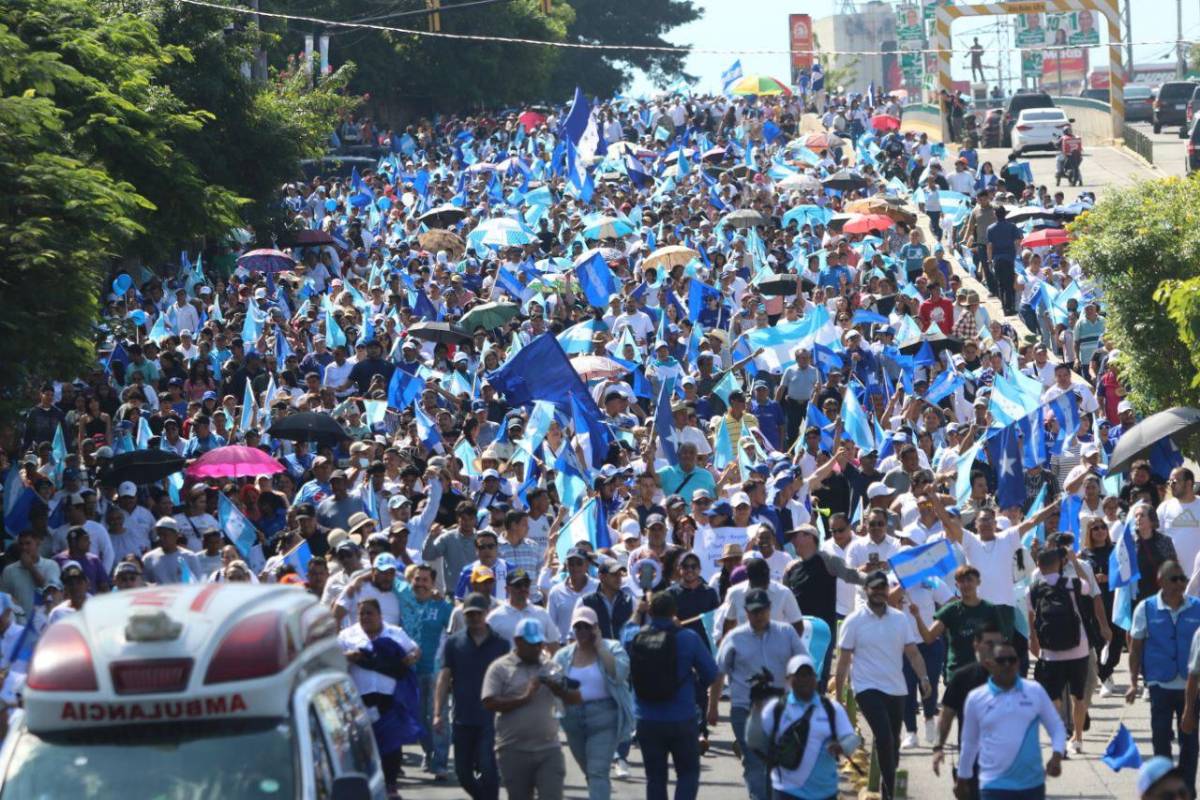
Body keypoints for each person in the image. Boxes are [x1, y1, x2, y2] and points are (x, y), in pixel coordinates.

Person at [835, 571, 931, 800]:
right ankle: (891, 789)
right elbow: (844, 661)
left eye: (882, 587)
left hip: (896, 688)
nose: (879, 592)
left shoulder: (900, 618)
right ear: (866, 590)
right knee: (884, 735)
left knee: (892, 740)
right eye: (874, 587)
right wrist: (838, 698)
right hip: (866, 687)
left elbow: (913, 653)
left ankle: (887, 790)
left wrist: (924, 678)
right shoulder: (854, 621)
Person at [710, 587, 808, 800]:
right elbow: (719, 673)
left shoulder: (786, 633)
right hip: (745, 709)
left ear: (769, 609)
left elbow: (803, 665)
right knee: (755, 762)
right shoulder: (735, 638)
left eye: (762, 611)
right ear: (746, 612)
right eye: (754, 612)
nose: (758, 616)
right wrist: (713, 707)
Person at [630, 590, 720, 800]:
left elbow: (626, 631)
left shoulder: (635, 636)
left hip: (646, 718)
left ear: (650, 611)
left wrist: (637, 612)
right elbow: (712, 673)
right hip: (681, 717)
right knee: (688, 773)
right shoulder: (688, 638)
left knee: (655, 778)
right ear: (674, 612)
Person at [481, 617, 580, 800]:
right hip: (513, 749)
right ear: (518, 641)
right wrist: (525, 697)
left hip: (548, 748)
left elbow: (576, 698)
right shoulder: (500, 668)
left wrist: (559, 689)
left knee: (552, 795)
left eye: (539, 643)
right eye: (531, 643)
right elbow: (489, 702)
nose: (536, 648)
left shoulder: (550, 667)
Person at [957, 639, 1066, 799]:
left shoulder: (1034, 691)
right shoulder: (976, 698)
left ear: (1018, 663)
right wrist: (962, 780)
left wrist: (1057, 755)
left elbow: (1056, 727)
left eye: (1012, 660)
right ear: (989, 664)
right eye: (1001, 661)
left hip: (1032, 785)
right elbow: (969, 743)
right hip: (993, 785)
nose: (1007, 664)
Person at [337, 597, 422, 796]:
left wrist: (412, 657)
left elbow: (415, 649)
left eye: (369, 613)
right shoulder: (347, 635)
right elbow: (332, 658)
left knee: (392, 744)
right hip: (359, 700)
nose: (365, 617)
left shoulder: (394, 633)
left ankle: (391, 784)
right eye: (361, 613)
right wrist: (348, 656)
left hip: (390, 697)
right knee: (364, 747)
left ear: (379, 615)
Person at [551, 605, 635, 800]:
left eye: (587, 627)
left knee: (598, 771)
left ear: (596, 628)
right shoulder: (563, 656)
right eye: (578, 627)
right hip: (572, 719)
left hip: (604, 717)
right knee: (590, 771)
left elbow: (620, 674)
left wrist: (600, 647)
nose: (582, 632)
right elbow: (553, 682)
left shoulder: (613, 648)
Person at [1131, 561, 1200, 796]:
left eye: (1183, 578)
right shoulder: (1146, 608)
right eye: (1174, 579)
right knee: (1161, 742)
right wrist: (1133, 682)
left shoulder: (1197, 607)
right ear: (1161, 581)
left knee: (1189, 744)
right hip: (1160, 684)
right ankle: (1163, 791)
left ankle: (1187, 791)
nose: (1180, 583)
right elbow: (1136, 647)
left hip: (1190, 687)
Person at [755, 653, 860, 800]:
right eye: (799, 675)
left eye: (808, 674)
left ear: (816, 679)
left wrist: (842, 746)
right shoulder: (776, 709)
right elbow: (757, 741)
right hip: (786, 790)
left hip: (823, 792)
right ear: (788, 680)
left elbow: (852, 738)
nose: (804, 679)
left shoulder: (832, 708)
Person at [436, 592, 508, 800]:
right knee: (463, 773)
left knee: (488, 766)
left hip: (491, 718)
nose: (474, 618)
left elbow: (508, 678)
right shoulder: (454, 643)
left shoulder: (500, 644)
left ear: (486, 613)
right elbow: (444, 678)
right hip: (462, 717)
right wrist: (437, 713)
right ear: (463, 615)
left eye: (478, 613)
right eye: (470, 614)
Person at [931, 622, 1007, 798]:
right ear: (976, 644)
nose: (994, 648)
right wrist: (938, 747)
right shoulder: (962, 678)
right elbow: (946, 715)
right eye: (989, 643)